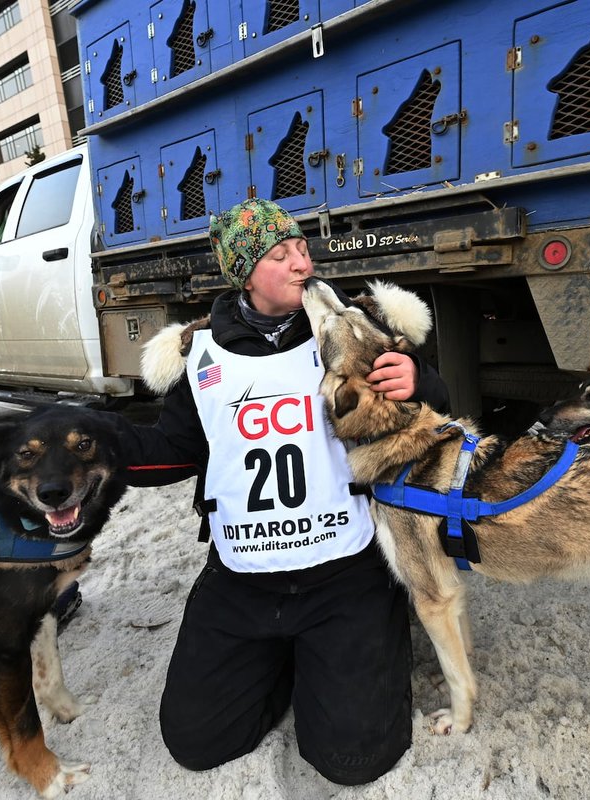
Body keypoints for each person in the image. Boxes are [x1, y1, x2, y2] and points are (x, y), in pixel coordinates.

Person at [112, 198, 449, 785]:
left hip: (344, 569)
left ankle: (343, 651)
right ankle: (289, 662)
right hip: (241, 576)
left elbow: (428, 414)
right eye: (279, 254)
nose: (301, 263)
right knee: (197, 740)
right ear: (244, 272)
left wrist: (420, 381)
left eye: (301, 248)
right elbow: (173, 447)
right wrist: (98, 444)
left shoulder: (350, 327)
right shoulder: (203, 354)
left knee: (353, 761)